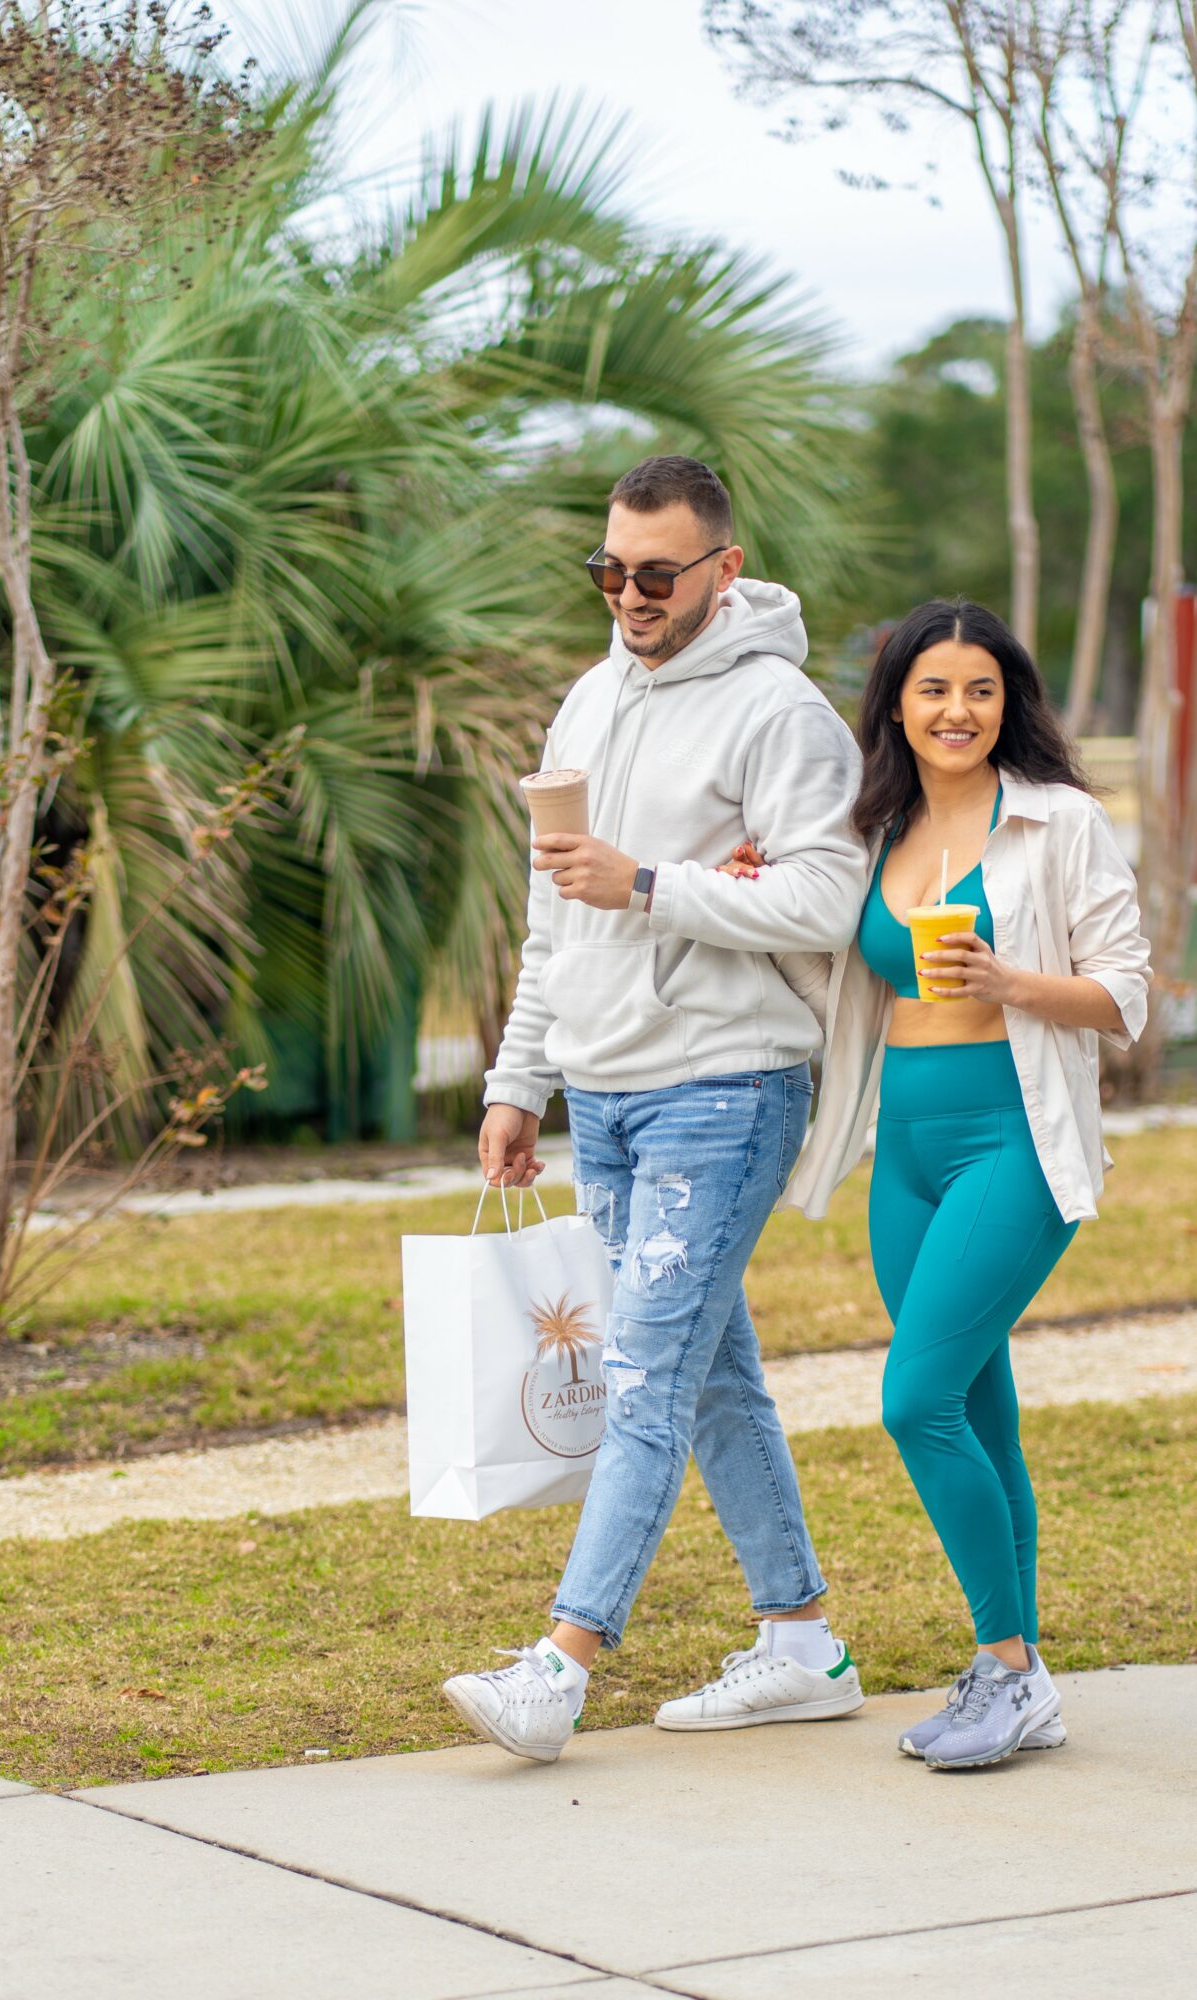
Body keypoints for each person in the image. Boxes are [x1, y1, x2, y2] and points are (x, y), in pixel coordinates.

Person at [442, 455, 869, 1763]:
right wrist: (520, 1078)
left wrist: (651, 884)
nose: (629, 594)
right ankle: (801, 1642)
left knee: (642, 1374)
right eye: (609, 570)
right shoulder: (588, 700)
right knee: (708, 1373)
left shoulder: (781, 713)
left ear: (722, 569)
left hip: (725, 1084)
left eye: (656, 574)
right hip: (605, 1089)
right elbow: (551, 915)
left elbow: (828, 896)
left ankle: (559, 1668)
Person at [774, 597, 1152, 1771]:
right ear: (895, 703)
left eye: (980, 689)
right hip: (907, 1148)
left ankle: (1005, 1666)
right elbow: (836, 970)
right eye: (933, 688)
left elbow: (1126, 994)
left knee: (915, 1398)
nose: (957, 709)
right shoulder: (867, 827)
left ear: (1008, 701)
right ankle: (1019, 1679)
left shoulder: (1057, 820)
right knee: (979, 1409)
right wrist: (762, 891)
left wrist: (1012, 980)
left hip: (1013, 1139)